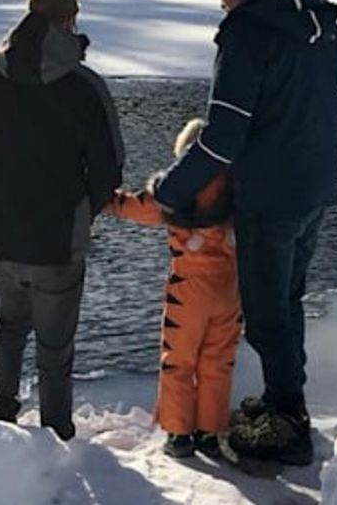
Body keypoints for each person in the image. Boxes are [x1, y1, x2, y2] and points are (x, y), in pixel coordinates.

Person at [152, 0, 337, 465]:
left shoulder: (248, 34)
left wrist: (169, 190)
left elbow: (222, 137)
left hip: (271, 195)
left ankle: (289, 421)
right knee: (288, 299)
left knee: (266, 314)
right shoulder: (328, 30)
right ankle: (285, 400)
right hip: (317, 187)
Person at [0, 0, 124, 440]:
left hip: (1, 234)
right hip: (59, 239)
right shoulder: (84, 86)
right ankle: (57, 434)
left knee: (10, 328)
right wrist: (86, 210)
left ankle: (1, 418)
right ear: (69, 22)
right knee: (55, 348)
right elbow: (110, 167)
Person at [106, 118, 241, 459]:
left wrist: (102, 197)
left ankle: (179, 434)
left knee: (178, 361)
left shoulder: (174, 191)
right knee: (218, 361)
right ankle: (210, 432)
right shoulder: (238, 186)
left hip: (188, 290)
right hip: (229, 290)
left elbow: (134, 208)